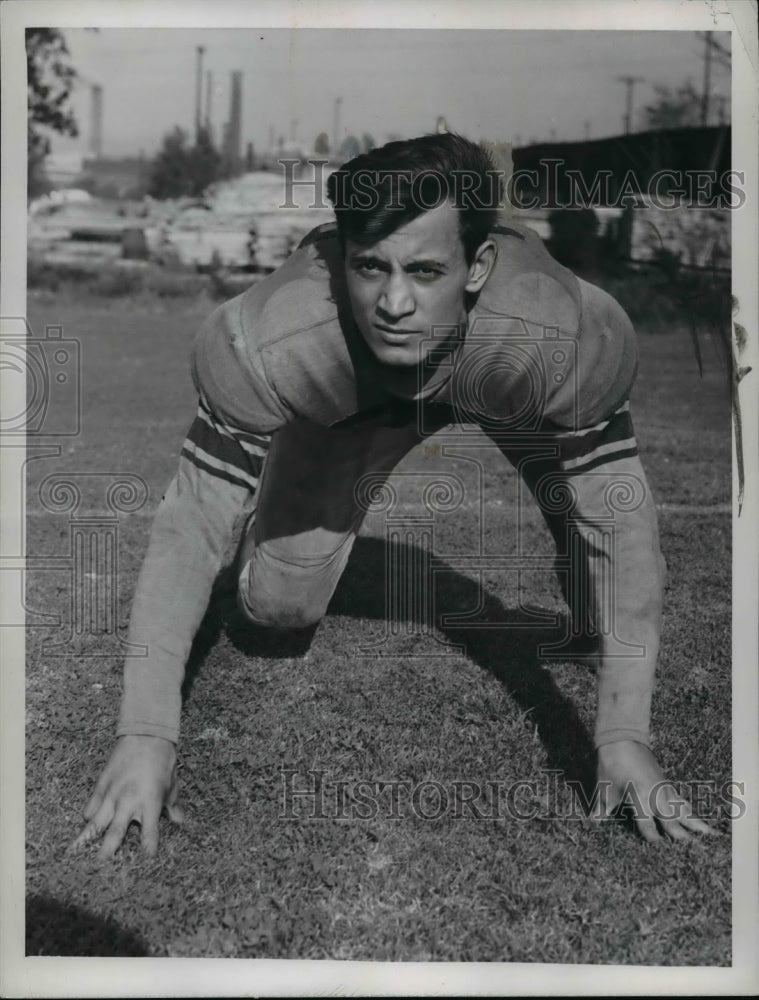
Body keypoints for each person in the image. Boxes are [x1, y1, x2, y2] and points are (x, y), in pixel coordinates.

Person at [74, 133, 713, 858]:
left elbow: (620, 523)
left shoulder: (563, 332)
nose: (394, 301)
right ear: (340, 256)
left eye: (425, 269)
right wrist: (145, 734)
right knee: (276, 610)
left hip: (509, 379)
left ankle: (588, 624)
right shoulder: (270, 339)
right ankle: (284, 453)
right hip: (354, 399)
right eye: (369, 267)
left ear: (477, 267)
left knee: (589, 532)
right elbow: (190, 525)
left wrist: (623, 736)